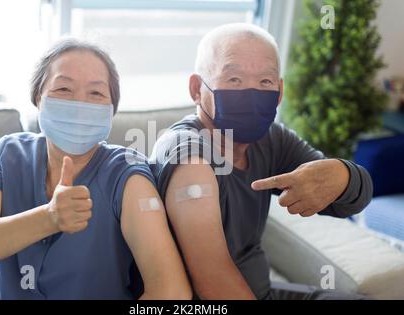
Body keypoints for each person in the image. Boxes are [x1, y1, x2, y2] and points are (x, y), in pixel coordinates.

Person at [0, 39, 191, 300]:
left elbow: (171, 292)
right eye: (64, 88)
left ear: (112, 110)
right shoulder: (9, 154)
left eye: (96, 93)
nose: (80, 105)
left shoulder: (127, 173)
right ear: (38, 98)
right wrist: (49, 218)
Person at [149, 23, 373, 300]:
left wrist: (344, 175)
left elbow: (351, 201)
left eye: (265, 82)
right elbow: (213, 281)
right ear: (197, 89)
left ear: (279, 92)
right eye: (234, 80)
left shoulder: (272, 140)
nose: (251, 93)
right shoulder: (187, 153)